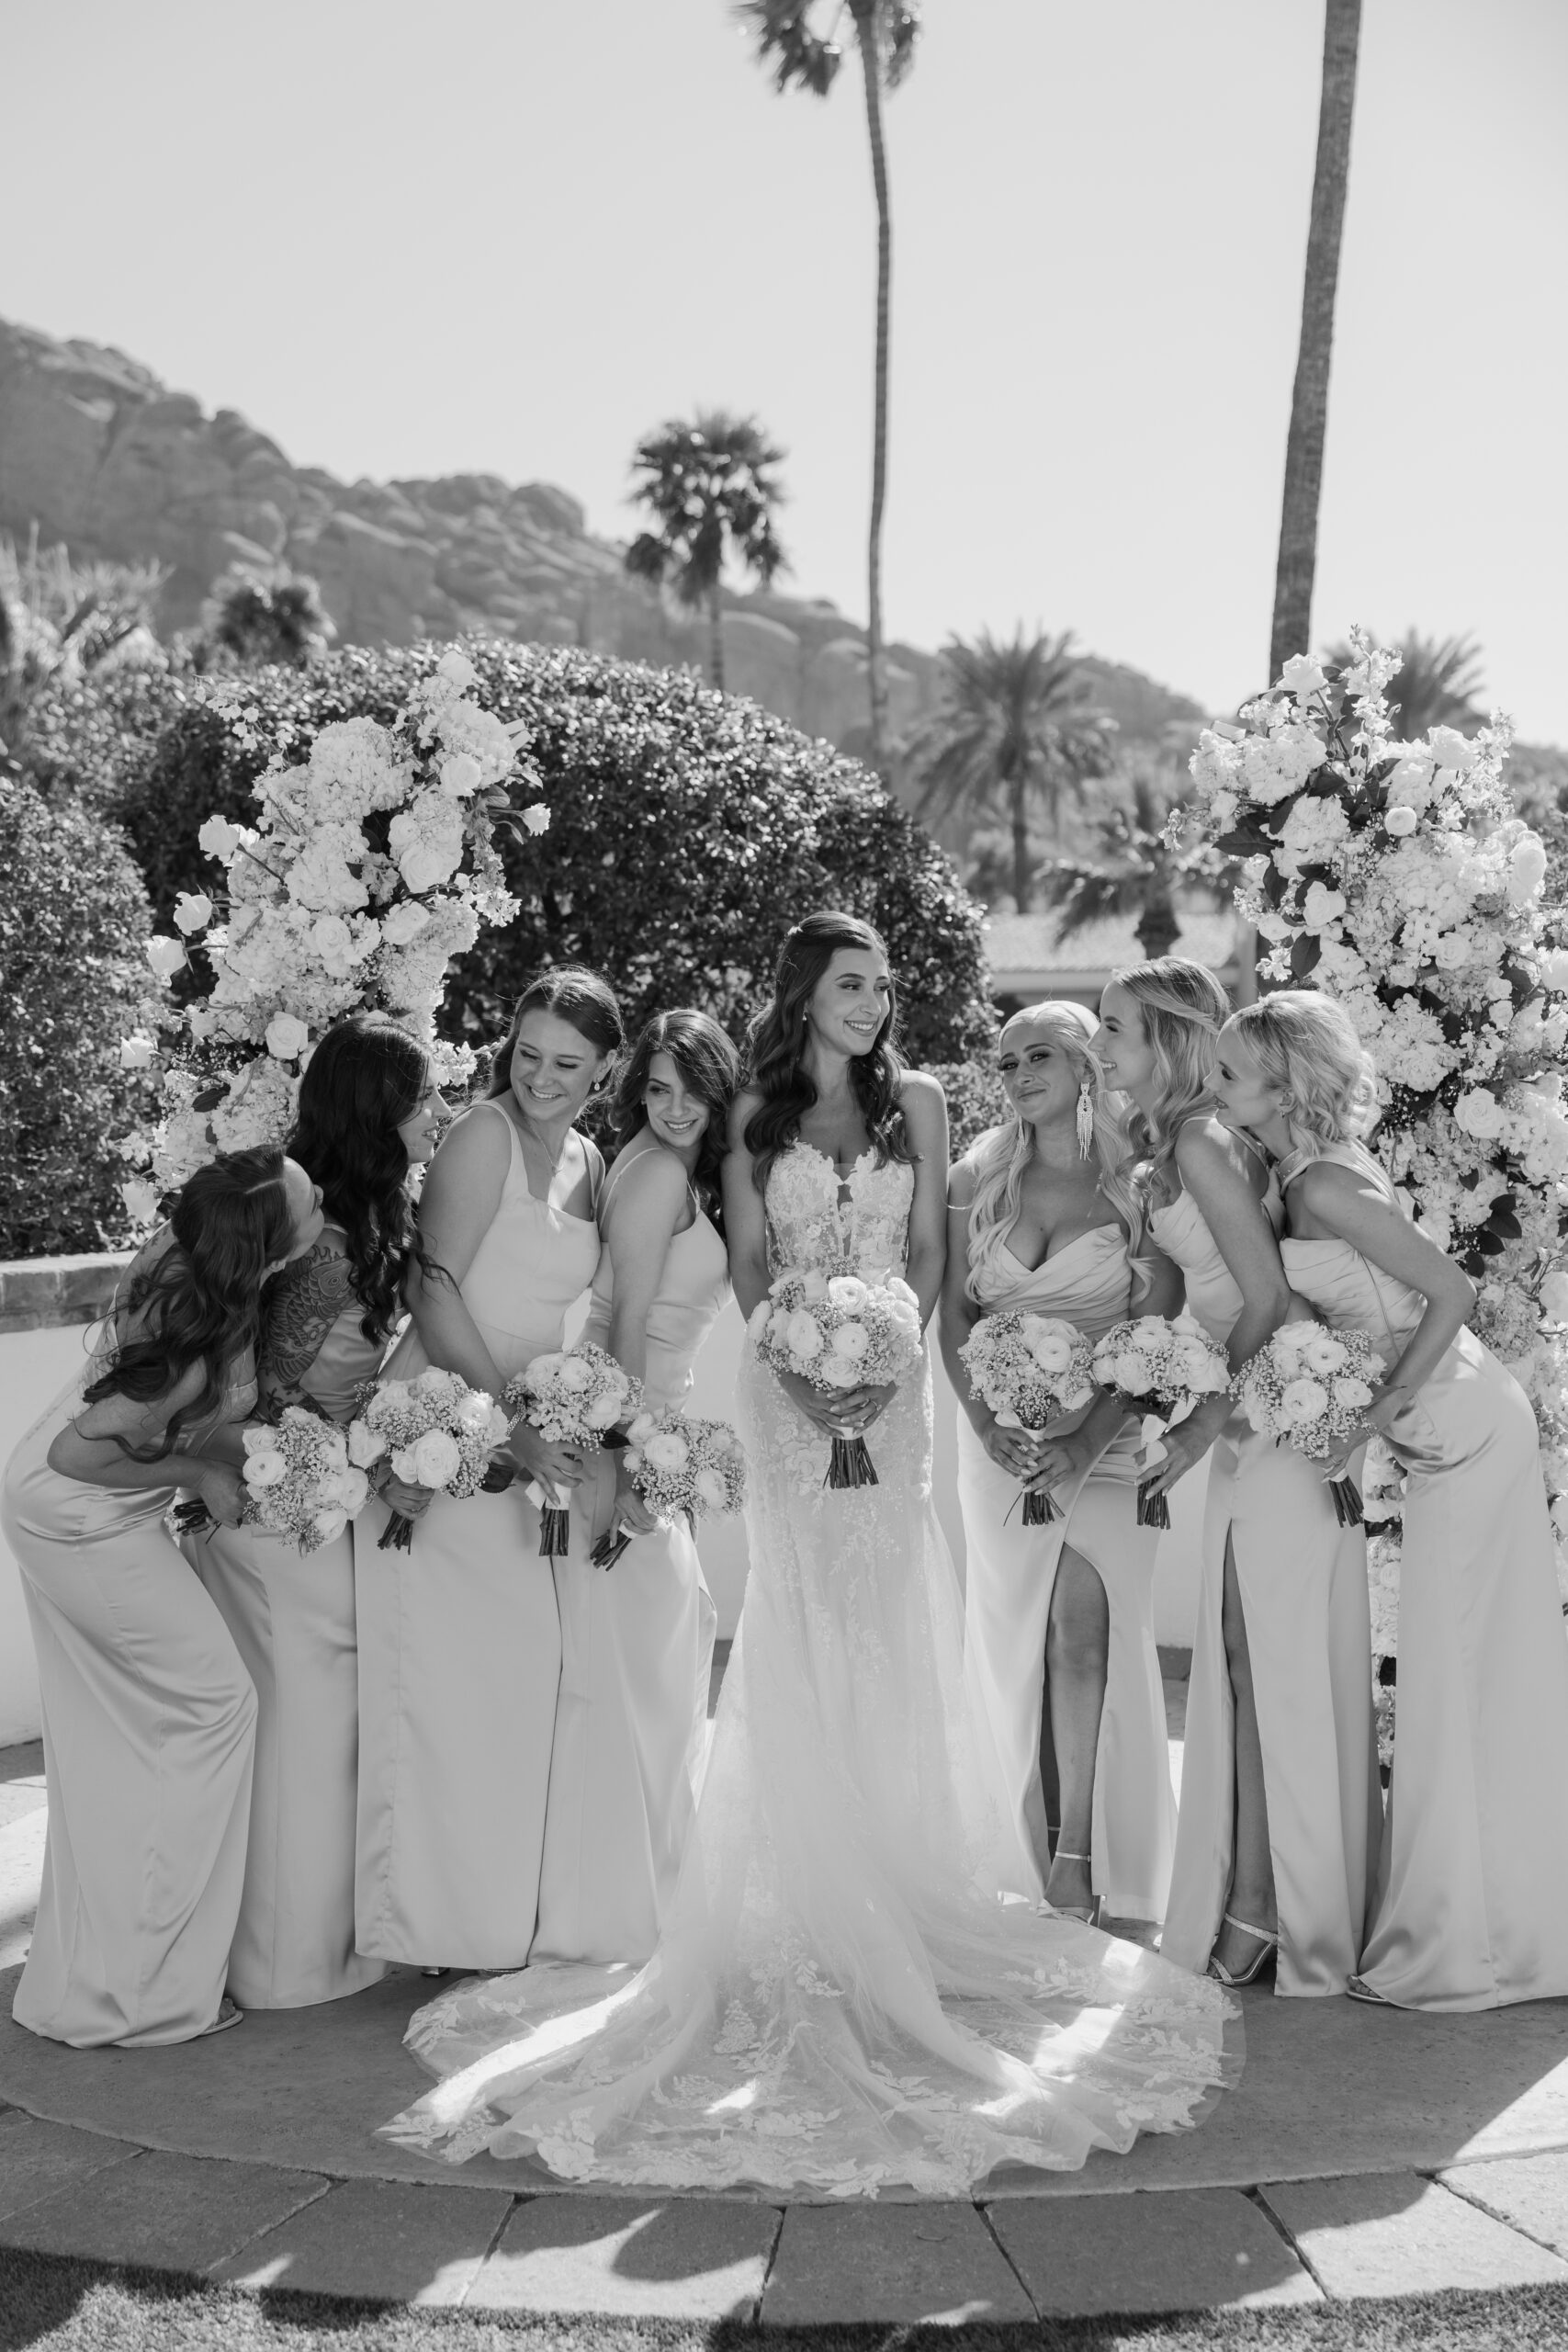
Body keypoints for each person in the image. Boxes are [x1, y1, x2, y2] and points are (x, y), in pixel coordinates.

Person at [383, 912, 1237, 2198]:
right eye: (850, 982)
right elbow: (745, 1263)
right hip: (785, 1403)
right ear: (802, 993)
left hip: (896, 1408)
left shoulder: (920, 1101)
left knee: (891, 1616)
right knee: (798, 1618)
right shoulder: (753, 1116)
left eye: (882, 984)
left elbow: (934, 1258)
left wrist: (886, 1365)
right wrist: (797, 1364)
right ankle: (794, 1897)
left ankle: (901, 1880)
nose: (873, 1000)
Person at [1216, 989, 1568, 2010]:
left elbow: (1451, 1293)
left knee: (1460, 1673)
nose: (1219, 1086)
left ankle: (1467, 1943)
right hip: (1432, 1437)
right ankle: (1479, 1921)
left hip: (1464, 1430)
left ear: (1284, 1086)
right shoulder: (1291, 1175)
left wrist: (1368, 1418)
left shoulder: (1321, 1184)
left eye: (1234, 1072)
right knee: (1456, 1674)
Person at [1097, 961, 1379, 1996]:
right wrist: (1145, 1377)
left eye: (1116, 1028)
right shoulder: (1166, 1149)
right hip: (1243, 1404)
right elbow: (1186, 1291)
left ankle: (1273, 1907)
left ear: (1166, 1040)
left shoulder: (1205, 1142)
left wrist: (1207, 1414)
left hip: (1276, 1405)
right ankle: (1250, 1893)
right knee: (1237, 1654)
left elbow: (1263, 1292)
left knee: (1266, 1663)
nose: (1102, 1046)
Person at [2, 1147, 320, 2044]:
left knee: (135, 1727)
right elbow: (81, 1452)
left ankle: (115, 1970)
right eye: (307, 1199)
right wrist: (203, 1475)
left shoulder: (201, 1277)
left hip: (87, 1501)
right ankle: (146, 1994)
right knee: (215, 1709)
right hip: (77, 1513)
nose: (320, 1198)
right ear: (263, 1240)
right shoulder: (192, 1335)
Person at [355, 969, 621, 1972]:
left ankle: (489, 1919)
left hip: (521, 1436)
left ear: (604, 1069)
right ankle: (432, 1929)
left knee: (512, 1685)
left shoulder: (591, 1157)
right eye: (527, 1055)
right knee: (447, 1685)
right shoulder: (482, 1136)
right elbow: (432, 1286)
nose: (541, 1080)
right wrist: (505, 1422)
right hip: (448, 1417)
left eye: (567, 1063)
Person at [185, 1017, 444, 2007]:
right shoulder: (326, 1248)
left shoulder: (363, 1221)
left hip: (319, 1503)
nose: (437, 1116)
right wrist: (368, 1463)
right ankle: (288, 1962)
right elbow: (267, 1395)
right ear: (377, 1116)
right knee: (302, 1735)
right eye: (421, 1100)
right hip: (280, 1517)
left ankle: (323, 1944)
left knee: (329, 1731)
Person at [942, 1000, 1179, 1931]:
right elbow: (957, 1312)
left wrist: (1086, 1432)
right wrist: (983, 1416)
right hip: (998, 1444)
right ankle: (1013, 1846)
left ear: (1087, 1064)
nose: (1018, 1074)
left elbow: (1151, 1326)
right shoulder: (978, 1174)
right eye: (1004, 1062)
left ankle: (1079, 1854)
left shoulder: (1140, 1181)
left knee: (1083, 1633)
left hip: (1108, 1440)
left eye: (1039, 1054)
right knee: (1013, 1644)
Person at [534, 1010, 739, 1962]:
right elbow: (623, 1327)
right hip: (621, 1433)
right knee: (629, 1676)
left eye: (690, 1084)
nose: (673, 1106)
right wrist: (622, 1462)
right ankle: (612, 1910)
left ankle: (648, 1896)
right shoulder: (657, 1170)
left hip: (655, 1431)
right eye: (656, 1087)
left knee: (659, 1667)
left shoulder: (697, 1172)